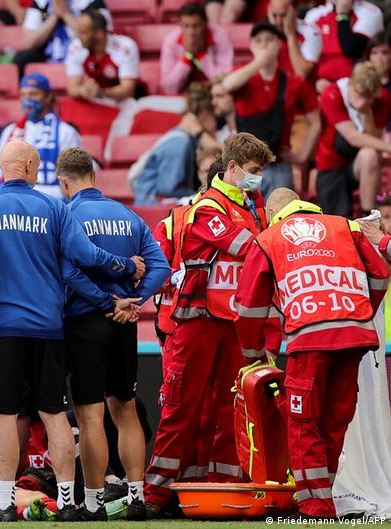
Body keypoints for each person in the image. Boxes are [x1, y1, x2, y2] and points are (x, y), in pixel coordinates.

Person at [0, 140, 144, 522]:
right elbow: (85, 256)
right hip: (48, 327)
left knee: (5, 416)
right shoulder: (53, 207)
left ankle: (7, 504)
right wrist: (125, 266)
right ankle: (65, 503)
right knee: (54, 415)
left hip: (1, 327)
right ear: (30, 166)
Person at [234, 188, 389, 520]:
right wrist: (361, 316)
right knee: (335, 419)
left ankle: (316, 506)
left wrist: (253, 354)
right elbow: (380, 275)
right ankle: (323, 498)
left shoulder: (269, 238)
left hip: (309, 340)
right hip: (354, 340)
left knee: (303, 423)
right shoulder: (346, 227)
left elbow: (249, 307)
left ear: (274, 211)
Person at [144, 133, 274, 516]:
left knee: (227, 407)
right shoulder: (205, 208)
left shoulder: (253, 207)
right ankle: (157, 494)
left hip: (233, 322)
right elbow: (251, 248)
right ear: (231, 168)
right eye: (252, 172)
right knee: (181, 405)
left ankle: (222, 487)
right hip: (197, 321)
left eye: (261, 173)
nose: (257, 179)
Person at [57, 147, 170, 521]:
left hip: (87, 322)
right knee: (125, 410)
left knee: (90, 416)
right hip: (124, 327)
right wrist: (134, 301)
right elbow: (161, 265)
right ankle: (137, 498)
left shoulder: (69, 213)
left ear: (64, 182)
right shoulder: (127, 215)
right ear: (94, 176)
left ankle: (93, 503)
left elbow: (70, 273)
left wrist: (109, 302)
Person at [219, 21, 320, 197]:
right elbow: (227, 85)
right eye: (258, 40)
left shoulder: (293, 82)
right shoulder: (243, 76)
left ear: (279, 44)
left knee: (279, 214)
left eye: (269, 39)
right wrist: (259, 62)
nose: (264, 44)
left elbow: (316, 122)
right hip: (244, 165)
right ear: (250, 45)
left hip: (278, 163)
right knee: (247, 212)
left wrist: (302, 156)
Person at [0, 73, 81, 199]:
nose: (27, 99)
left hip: (54, 201)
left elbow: (73, 179)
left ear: (48, 97)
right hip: (14, 200)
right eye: (23, 94)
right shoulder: (10, 131)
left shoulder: (66, 131)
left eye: (33, 94)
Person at [315, 62, 391, 218]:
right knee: (337, 222)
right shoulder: (332, 93)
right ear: (351, 83)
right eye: (361, 95)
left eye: (370, 97)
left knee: (370, 154)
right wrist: (389, 147)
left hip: (359, 165)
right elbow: (353, 138)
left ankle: (369, 218)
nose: (365, 100)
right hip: (332, 165)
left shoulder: (382, 97)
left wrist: (366, 112)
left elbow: (373, 139)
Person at [132, 83, 222, 205]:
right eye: (215, 119)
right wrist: (199, 193)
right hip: (152, 209)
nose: (216, 127)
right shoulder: (179, 143)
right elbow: (168, 188)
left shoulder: (186, 141)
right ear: (204, 115)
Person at [13, 0, 113, 73]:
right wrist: (55, 16)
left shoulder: (93, 2)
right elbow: (29, 42)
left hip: (83, 50)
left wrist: (66, 14)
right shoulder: (40, 3)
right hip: (48, 51)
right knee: (22, 58)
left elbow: (102, 37)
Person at [304, 0, 383, 89]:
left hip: (357, 84)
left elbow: (350, 48)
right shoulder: (314, 15)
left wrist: (342, 15)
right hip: (319, 83)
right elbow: (306, 59)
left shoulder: (370, 12)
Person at [65, 9, 140, 103]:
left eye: (83, 32)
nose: (78, 36)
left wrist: (101, 92)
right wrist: (83, 90)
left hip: (125, 102)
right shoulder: (75, 47)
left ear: (99, 33)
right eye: (78, 32)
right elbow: (72, 89)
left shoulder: (125, 47)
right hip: (97, 100)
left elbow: (128, 90)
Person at [160, 2, 233, 95]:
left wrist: (201, 55)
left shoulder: (220, 36)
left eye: (196, 26)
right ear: (180, 25)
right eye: (186, 26)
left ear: (205, 24)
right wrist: (187, 57)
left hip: (214, 94)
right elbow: (169, 87)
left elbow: (225, 81)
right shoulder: (171, 40)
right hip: (182, 94)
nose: (191, 32)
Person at [266, 0, 321, 80]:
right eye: (274, 15)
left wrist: (291, 36)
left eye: (283, 15)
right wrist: (273, 32)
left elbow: (301, 73)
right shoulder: (265, 33)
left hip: (302, 89)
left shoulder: (310, 32)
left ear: (295, 11)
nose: (278, 22)